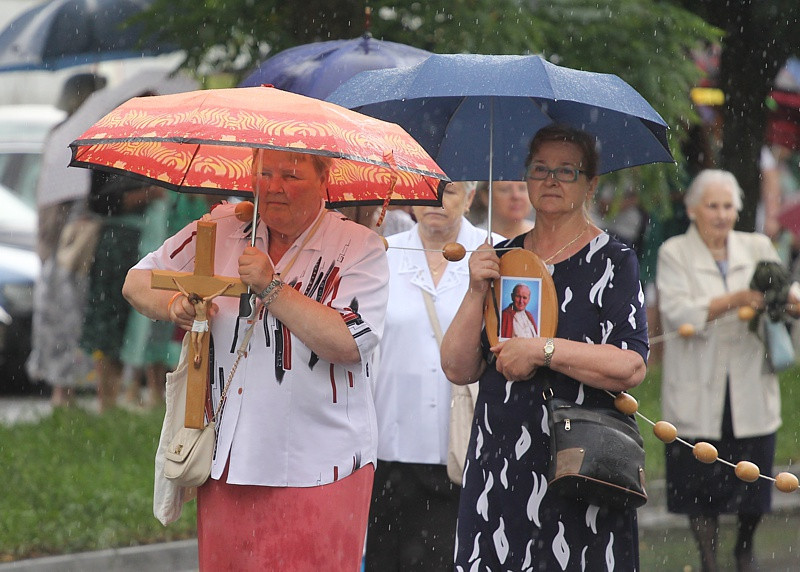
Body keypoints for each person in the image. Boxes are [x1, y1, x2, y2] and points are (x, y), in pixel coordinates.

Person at [122, 148, 389, 570]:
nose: (275, 186)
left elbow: (348, 342)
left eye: (292, 175)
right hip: (228, 459)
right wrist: (175, 303)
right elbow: (136, 281)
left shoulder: (359, 247)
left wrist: (272, 286)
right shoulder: (224, 227)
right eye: (265, 172)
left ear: (325, 179)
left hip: (322, 463)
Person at [440, 124, 649, 570]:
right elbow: (459, 368)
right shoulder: (502, 257)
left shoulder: (613, 260)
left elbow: (629, 365)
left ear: (591, 184)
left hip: (580, 464)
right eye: (540, 169)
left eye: (566, 171)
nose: (551, 180)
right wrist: (477, 289)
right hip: (501, 459)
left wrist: (544, 350)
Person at [656, 169, 800, 572]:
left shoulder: (756, 245)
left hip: (748, 385)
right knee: (698, 484)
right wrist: (735, 297)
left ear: (738, 210)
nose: (721, 214)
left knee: (752, 483)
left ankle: (744, 548)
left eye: (728, 206)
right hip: (697, 386)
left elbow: (787, 289)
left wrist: (786, 300)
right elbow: (678, 311)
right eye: (712, 206)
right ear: (692, 209)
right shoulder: (673, 252)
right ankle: (707, 559)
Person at [365, 181, 499, 570]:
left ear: (472, 197)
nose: (439, 202)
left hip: (463, 447)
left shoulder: (496, 254)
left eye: (453, 191)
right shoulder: (382, 255)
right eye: (430, 190)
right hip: (389, 444)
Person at [26, 72, 106, 406]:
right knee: (67, 318)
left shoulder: (59, 134)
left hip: (61, 247)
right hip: (68, 247)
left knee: (63, 318)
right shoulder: (76, 135)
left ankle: (65, 391)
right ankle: (64, 391)